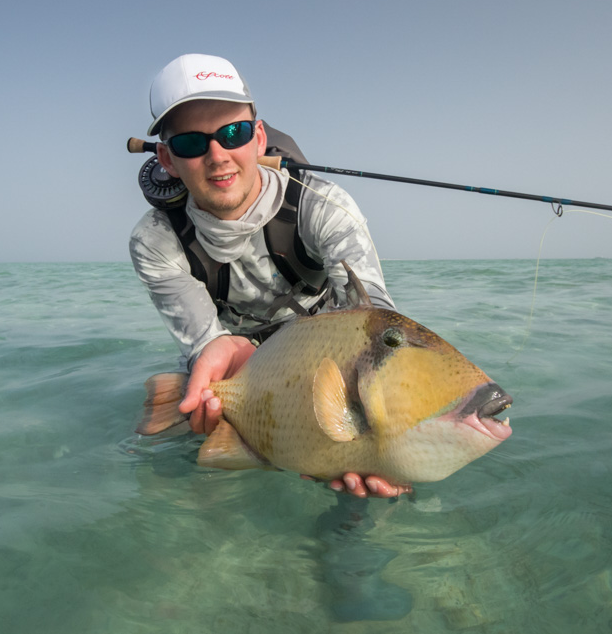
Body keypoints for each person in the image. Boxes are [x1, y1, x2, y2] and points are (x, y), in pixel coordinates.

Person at [130, 53, 408, 499]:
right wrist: (218, 370)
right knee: (189, 469)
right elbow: (204, 341)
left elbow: (374, 317)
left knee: (365, 488)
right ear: (166, 158)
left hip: (328, 363)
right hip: (236, 368)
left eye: (233, 133)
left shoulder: (324, 206)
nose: (217, 155)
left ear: (258, 137)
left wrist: (384, 420)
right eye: (189, 144)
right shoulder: (155, 240)